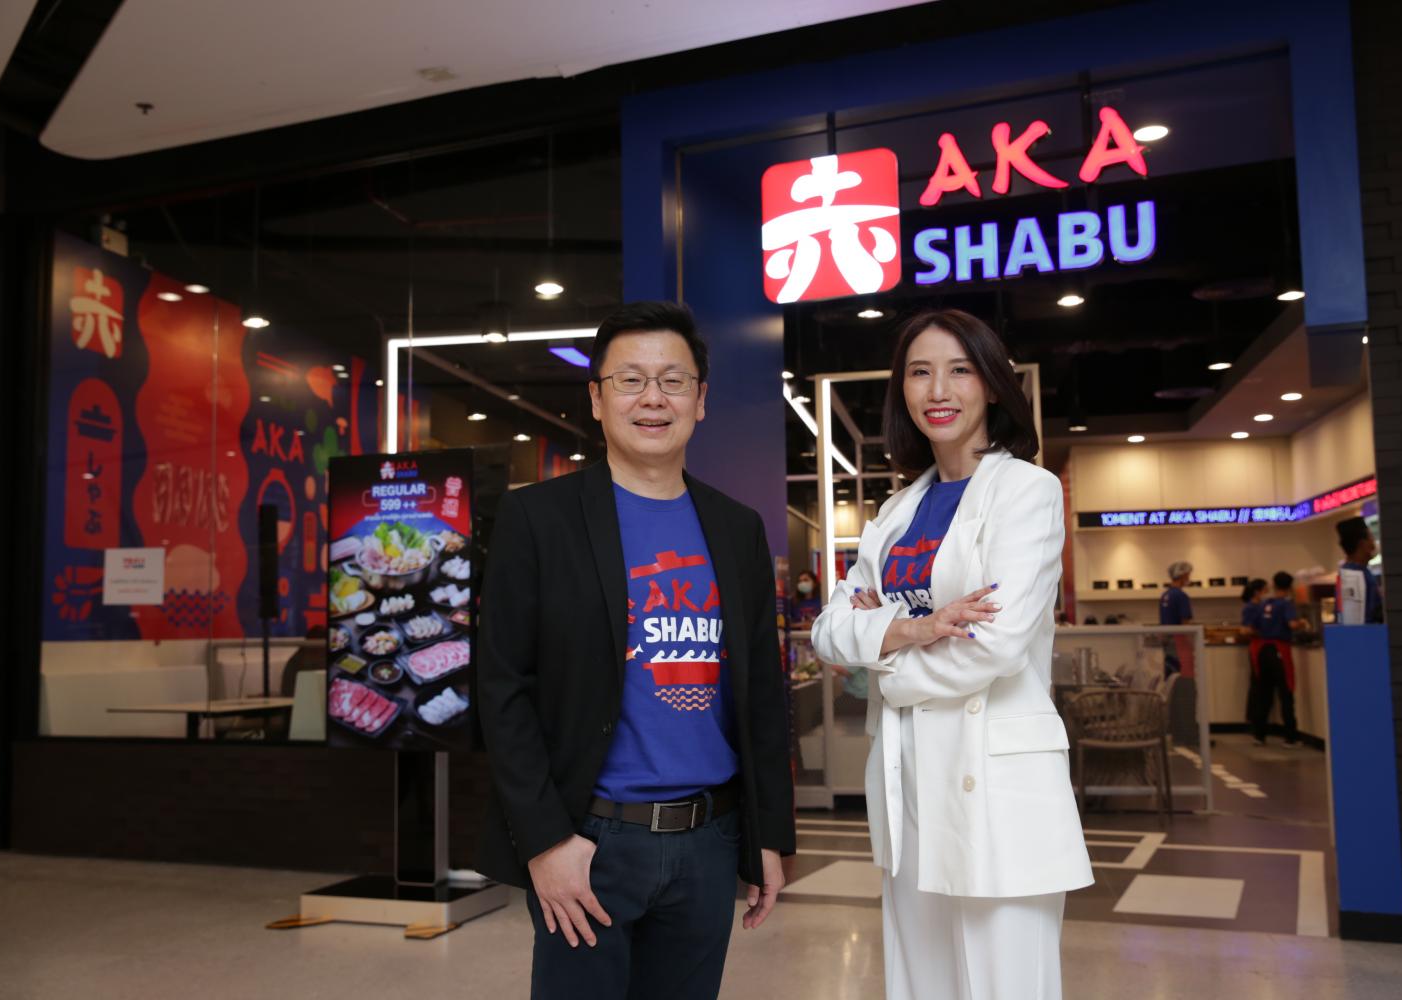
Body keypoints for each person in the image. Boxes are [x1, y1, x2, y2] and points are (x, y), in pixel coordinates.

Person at [477, 301, 794, 1000]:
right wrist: (545, 843)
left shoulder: (736, 530)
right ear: (596, 397)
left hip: (708, 843)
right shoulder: (538, 520)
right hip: (588, 843)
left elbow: (761, 695)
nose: (653, 398)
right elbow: (501, 689)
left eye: (674, 381)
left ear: (701, 400)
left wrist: (769, 834)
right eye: (630, 380)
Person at [811, 308, 1092, 1000]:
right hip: (909, 790)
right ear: (902, 391)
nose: (938, 388)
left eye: (959, 370)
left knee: (1007, 987)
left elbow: (991, 646)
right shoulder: (897, 511)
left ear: (992, 386)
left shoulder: (1027, 491)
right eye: (919, 372)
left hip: (995, 789)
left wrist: (883, 661)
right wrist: (918, 628)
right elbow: (828, 631)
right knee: (920, 986)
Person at [1250, 571, 1310, 748]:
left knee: (1264, 693)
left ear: (1274, 585)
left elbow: (1253, 627)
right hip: (1279, 649)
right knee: (1286, 692)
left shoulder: (1264, 603)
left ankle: (1259, 735)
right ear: (1290, 587)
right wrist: (1303, 623)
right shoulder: (1286, 604)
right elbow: (1291, 624)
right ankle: (1290, 737)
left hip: (1262, 650)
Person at [1336, 517, 1384, 624]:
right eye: (1371, 537)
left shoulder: (1353, 572)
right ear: (1362, 544)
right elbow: (1356, 621)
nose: (1373, 544)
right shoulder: (1354, 575)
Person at [1238, 579, 1269, 727]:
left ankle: (1257, 720)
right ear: (1258, 591)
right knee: (1258, 684)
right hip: (1257, 647)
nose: (1267, 593)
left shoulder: (1259, 606)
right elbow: (1245, 629)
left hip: (1261, 646)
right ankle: (1255, 720)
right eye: (1265, 590)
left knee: (1259, 684)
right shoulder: (1252, 607)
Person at [1159, 561, 1195, 677]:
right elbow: (1185, 624)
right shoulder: (1181, 596)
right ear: (1183, 575)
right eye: (1188, 575)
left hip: (1167, 642)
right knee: (1182, 677)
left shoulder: (1165, 595)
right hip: (1179, 643)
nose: (1189, 578)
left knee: (1170, 676)